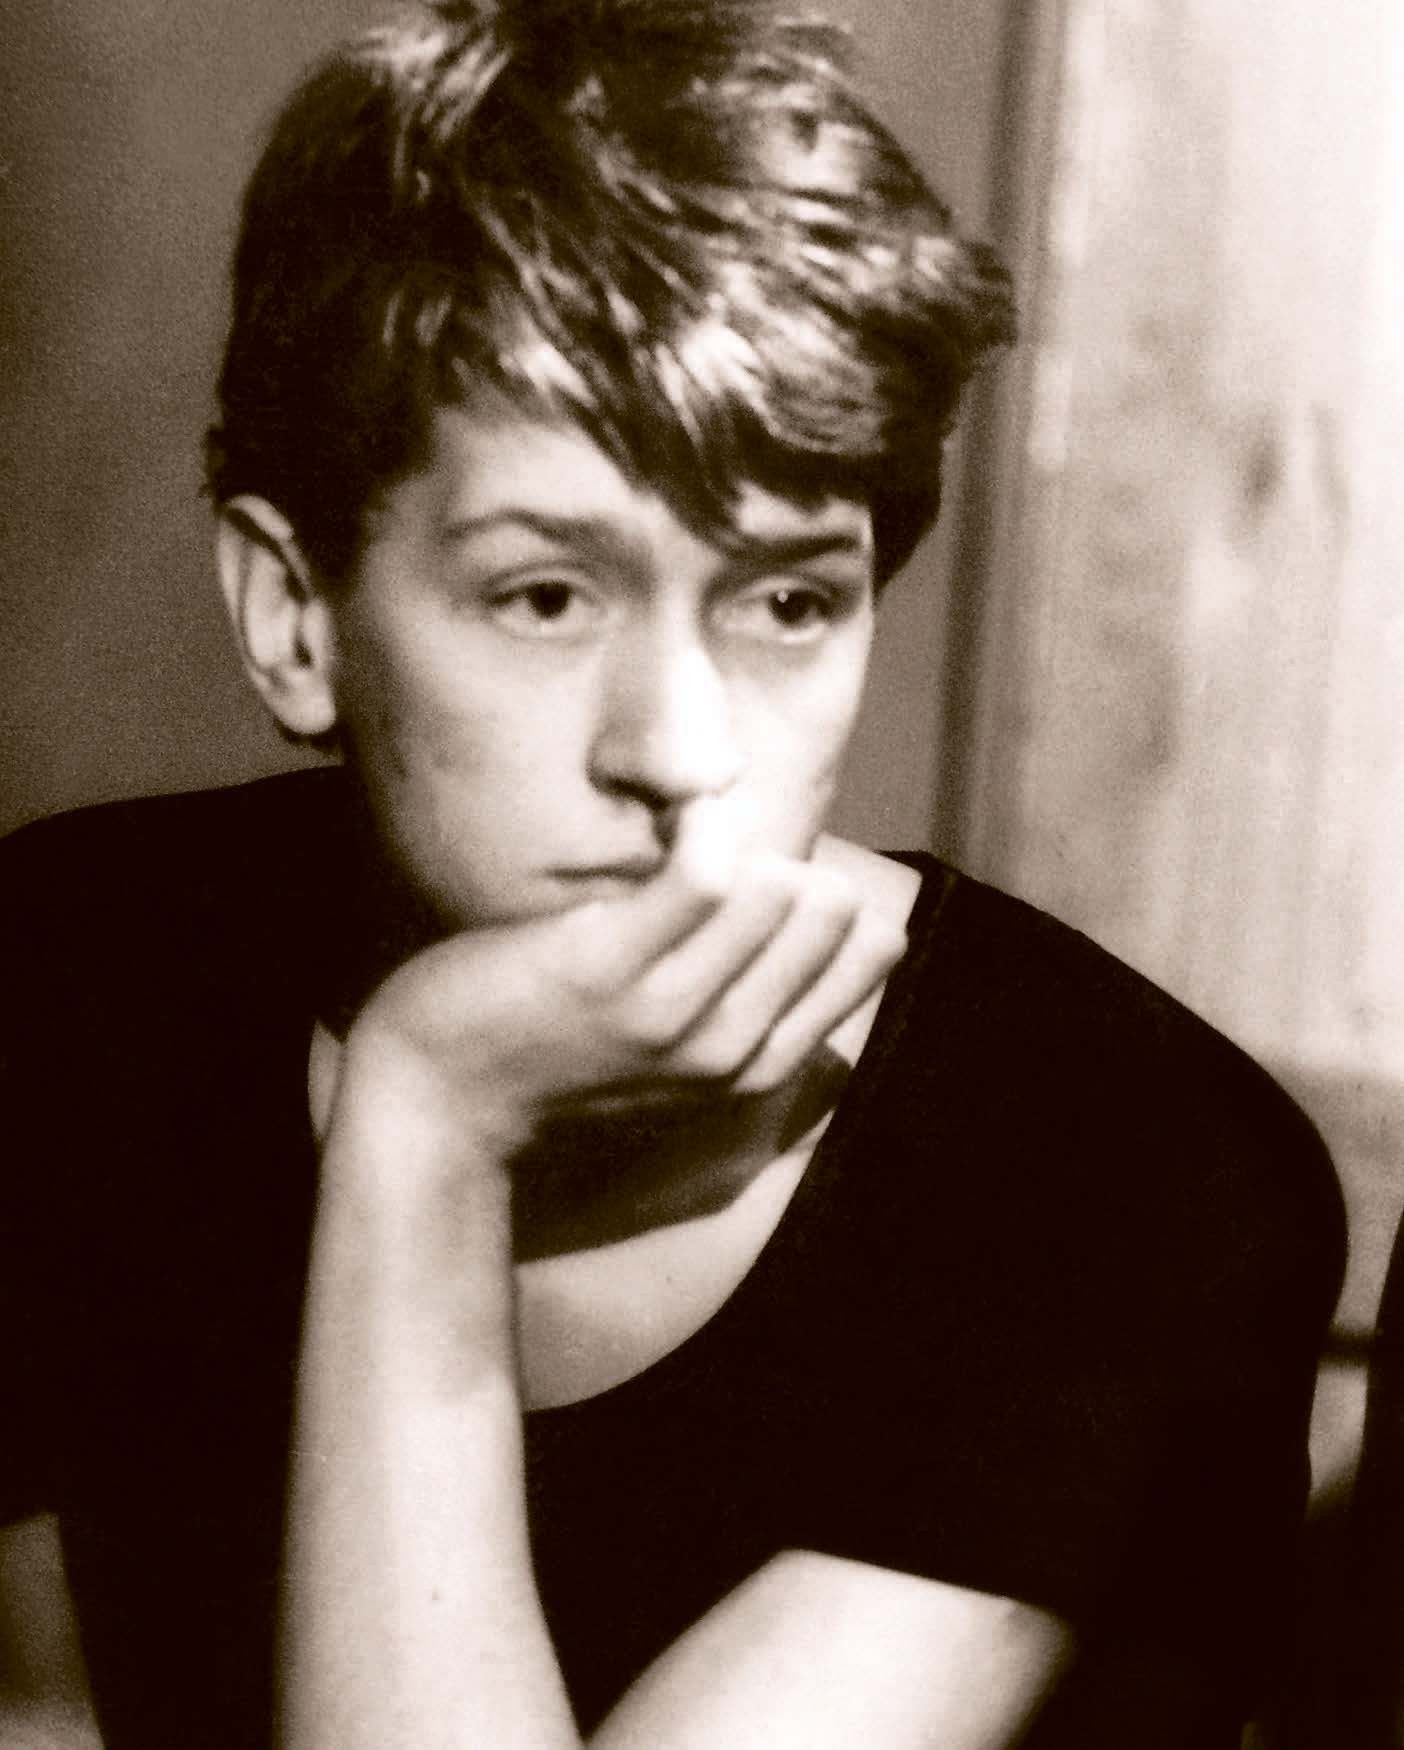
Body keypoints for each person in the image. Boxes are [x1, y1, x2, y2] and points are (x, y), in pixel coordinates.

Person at [0, 1, 1344, 1745]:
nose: (680, 745)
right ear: (294, 616)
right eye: (547, 595)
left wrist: (428, 1128)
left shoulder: (1125, 1161)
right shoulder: (72, 982)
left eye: (787, 600)